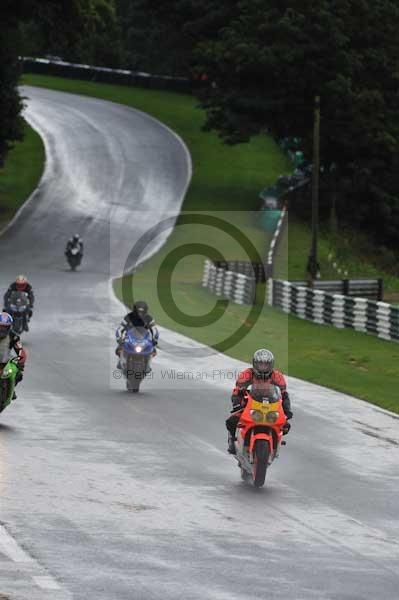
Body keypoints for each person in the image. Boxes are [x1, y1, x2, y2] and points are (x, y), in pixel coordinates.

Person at [226, 348, 293, 454]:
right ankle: (232, 442)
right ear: (255, 364)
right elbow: (237, 391)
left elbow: (284, 394)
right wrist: (237, 404)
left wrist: (287, 410)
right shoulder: (247, 374)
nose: (263, 367)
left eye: (266, 365)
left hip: (271, 405)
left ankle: (275, 445)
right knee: (232, 421)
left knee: (285, 426)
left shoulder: (277, 376)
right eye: (260, 364)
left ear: (271, 365)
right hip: (250, 403)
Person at [115, 301, 158, 369]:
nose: (140, 314)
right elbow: (120, 328)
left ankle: (148, 364)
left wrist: (155, 339)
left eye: (142, 312)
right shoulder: (128, 317)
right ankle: (121, 361)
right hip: (129, 337)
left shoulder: (149, 318)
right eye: (138, 312)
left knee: (154, 351)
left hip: (144, 338)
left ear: (145, 311)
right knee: (118, 349)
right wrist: (119, 338)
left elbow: (154, 330)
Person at [0, 312, 27, 399]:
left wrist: (21, 362)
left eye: (5, 327)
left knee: (18, 374)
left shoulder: (13, 336)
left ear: (9, 327)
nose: (2, 329)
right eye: (0, 326)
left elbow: (20, 350)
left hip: (5, 360)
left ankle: (11, 389)